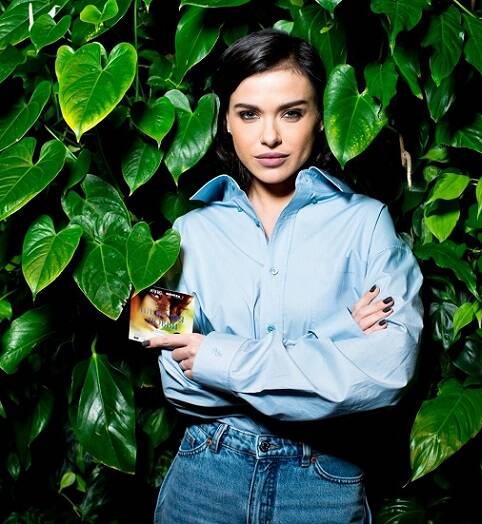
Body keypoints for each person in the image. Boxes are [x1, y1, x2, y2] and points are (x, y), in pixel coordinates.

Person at [146, 28, 424, 524]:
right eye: (248, 114)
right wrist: (338, 338)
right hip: (204, 477)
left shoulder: (368, 222)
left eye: (291, 113)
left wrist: (215, 356)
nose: (269, 136)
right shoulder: (181, 234)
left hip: (323, 480)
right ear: (225, 121)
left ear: (320, 117)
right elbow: (175, 381)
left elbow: (387, 371)